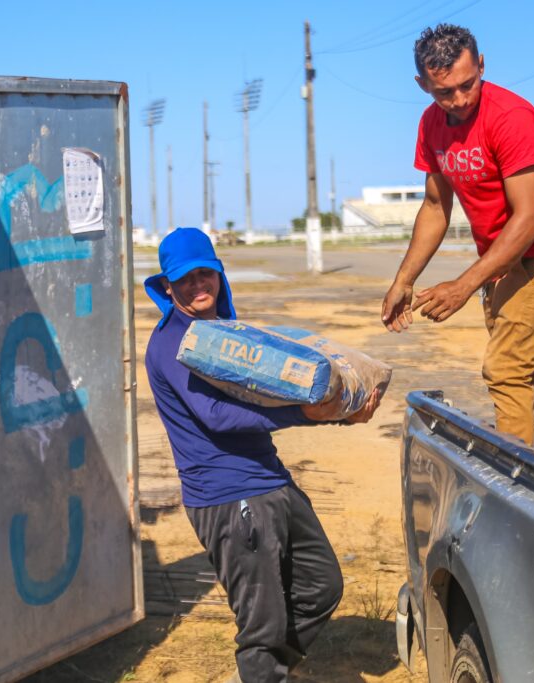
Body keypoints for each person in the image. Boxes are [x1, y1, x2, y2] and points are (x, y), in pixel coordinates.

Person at [144, 227, 380, 682]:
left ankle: (261, 673)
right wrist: (308, 414)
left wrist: (338, 411)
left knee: (321, 585)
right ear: (168, 287)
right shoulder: (173, 343)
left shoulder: (224, 332)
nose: (198, 286)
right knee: (263, 626)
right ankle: (261, 669)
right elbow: (217, 416)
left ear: (218, 274)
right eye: (185, 279)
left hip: (270, 479)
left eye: (205, 274)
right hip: (228, 496)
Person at [381, 24, 534, 445]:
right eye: (443, 92)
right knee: (527, 373)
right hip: (501, 260)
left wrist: (463, 285)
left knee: (507, 369)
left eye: (466, 84)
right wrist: (403, 281)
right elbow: (437, 207)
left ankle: (522, 488)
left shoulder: (511, 117)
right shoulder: (431, 125)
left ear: (481, 65)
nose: (458, 100)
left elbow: (529, 219)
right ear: (422, 84)